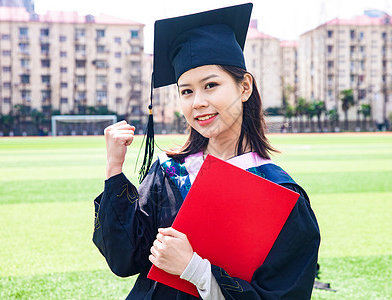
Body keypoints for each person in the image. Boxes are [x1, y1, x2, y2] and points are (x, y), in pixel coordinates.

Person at [92, 3, 320, 299]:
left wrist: (193, 268)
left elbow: (283, 294)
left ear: (244, 87)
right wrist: (114, 169)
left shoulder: (280, 194)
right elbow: (123, 260)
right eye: (186, 91)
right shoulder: (168, 173)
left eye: (210, 85)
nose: (197, 101)